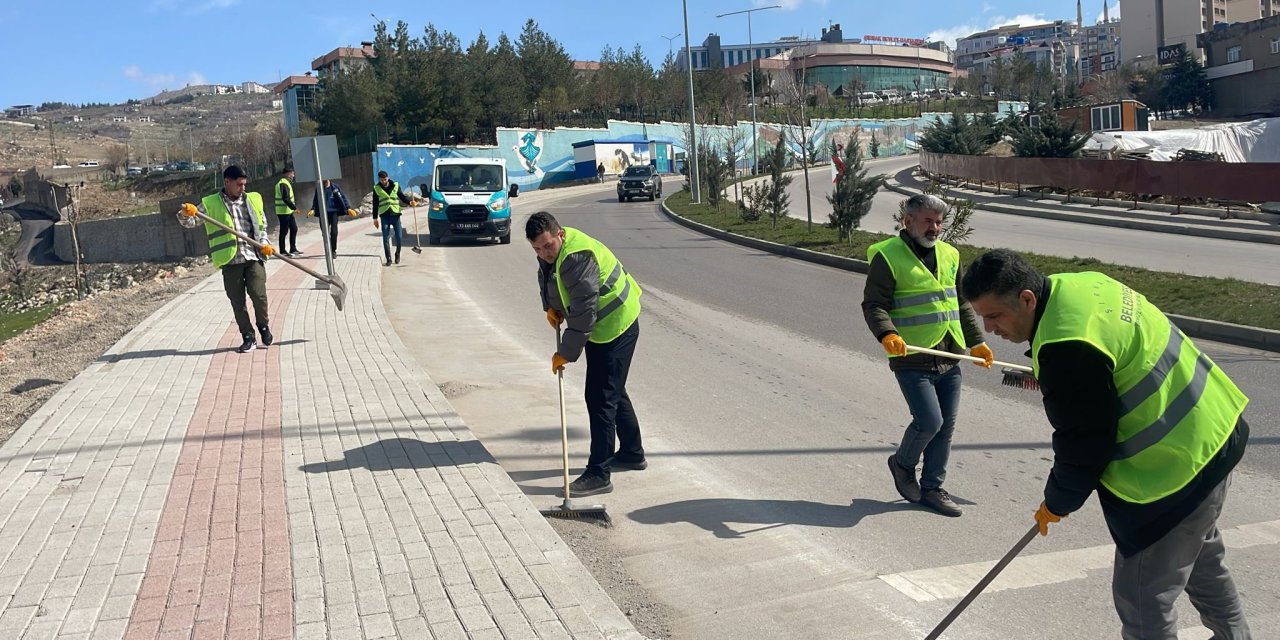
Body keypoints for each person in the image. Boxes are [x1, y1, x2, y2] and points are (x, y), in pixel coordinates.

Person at [960, 249, 1251, 640]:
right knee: (1201, 559)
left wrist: (1057, 501)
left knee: (1143, 600)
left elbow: (1083, 445)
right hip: (1217, 430)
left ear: (1027, 299)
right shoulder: (1081, 285)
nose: (989, 328)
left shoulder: (1066, 347)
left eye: (994, 316)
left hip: (1174, 471)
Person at [862, 194, 993, 517]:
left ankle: (933, 488)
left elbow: (959, 302)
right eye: (928, 221)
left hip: (949, 354)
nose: (934, 228)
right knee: (929, 421)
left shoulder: (950, 254)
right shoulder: (888, 256)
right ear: (908, 221)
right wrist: (887, 333)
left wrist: (976, 342)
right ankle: (902, 465)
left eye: (939, 222)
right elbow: (875, 304)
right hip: (912, 356)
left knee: (945, 427)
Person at [526, 211, 645, 496]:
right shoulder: (553, 252)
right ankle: (632, 452)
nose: (543, 253)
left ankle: (599, 474)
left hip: (617, 324)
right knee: (612, 389)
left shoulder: (576, 257)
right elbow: (551, 280)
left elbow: (584, 310)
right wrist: (553, 308)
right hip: (601, 328)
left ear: (560, 234)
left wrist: (566, 352)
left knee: (600, 399)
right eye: (537, 249)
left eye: (547, 246)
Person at [178, 165, 276, 353]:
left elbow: (262, 225)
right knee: (238, 302)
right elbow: (190, 222)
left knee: (259, 295)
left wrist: (264, 243)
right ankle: (248, 336)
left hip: (253, 256)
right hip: (230, 261)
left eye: (244, 184)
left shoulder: (253, 199)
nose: (242, 188)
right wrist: (185, 213)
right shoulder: (210, 203)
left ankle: (263, 326)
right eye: (239, 184)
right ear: (227, 182)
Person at [373, 170, 415, 266]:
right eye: (381, 180)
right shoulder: (376, 188)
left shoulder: (395, 185)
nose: (383, 181)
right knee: (385, 238)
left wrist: (410, 202)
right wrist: (375, 219)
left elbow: (402, 197)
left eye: (385, 179)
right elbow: (375, 204)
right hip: (384, 216)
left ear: (388, 178)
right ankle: (388, 258)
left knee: (399, 237)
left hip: (395, 215)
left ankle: (397, 253)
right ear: (379, 179)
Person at [309, 179, 357, 256]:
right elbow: (316, 200)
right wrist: (313, 209)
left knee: (334, 232)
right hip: (323, 213)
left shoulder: (335, 187)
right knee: (325, 233)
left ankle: (333, 250)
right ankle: (328, 249)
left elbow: (342, 197)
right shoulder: (319, 188)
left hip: (334, 212)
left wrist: (348, 208)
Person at [274, 166, 302, 256]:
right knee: (284, 231)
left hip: (288, 211)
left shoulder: (286, 183)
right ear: (288, 174)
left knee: (294, 228)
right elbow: (285, 198)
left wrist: (292, 209)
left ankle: (292, 249)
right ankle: (282, 251)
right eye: (292, 173)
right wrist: (294, 208)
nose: (293, 175)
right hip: (283, 212)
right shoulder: (283, 183)